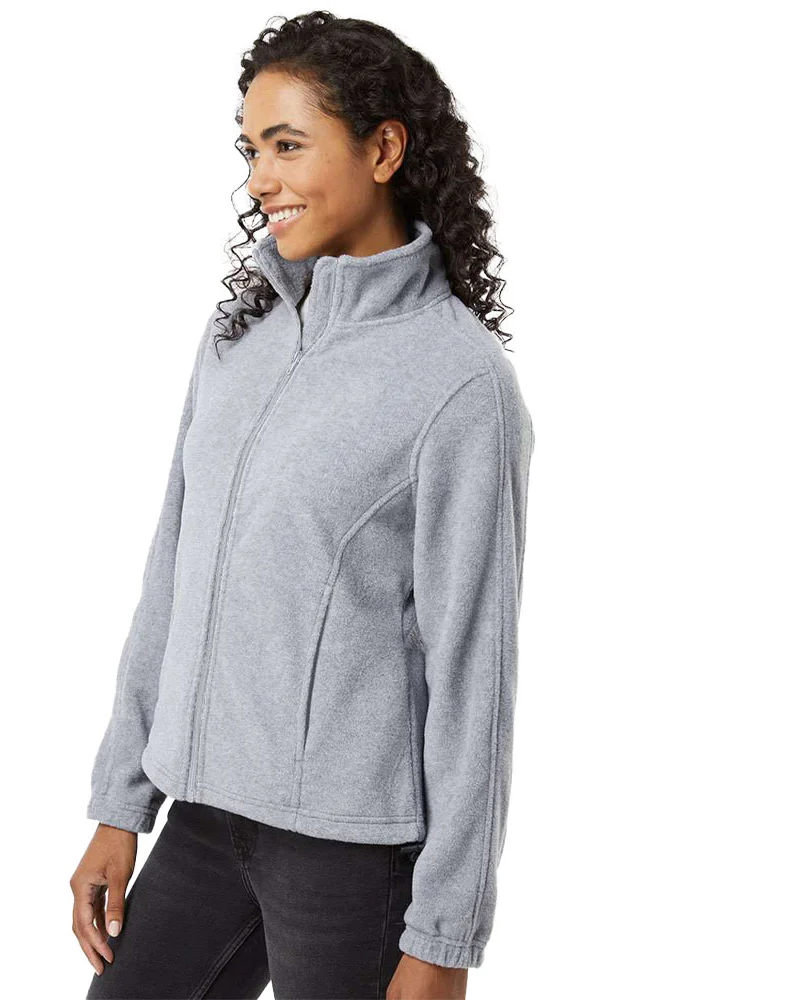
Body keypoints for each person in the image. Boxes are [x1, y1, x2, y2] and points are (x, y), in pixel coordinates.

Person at [71, 12, 534, 1000]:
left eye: (287, 146)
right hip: (203, 822)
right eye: (251, 151)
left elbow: (474, 676)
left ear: (383, 149)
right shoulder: (239, 333)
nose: (258, 180)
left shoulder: (461, 385)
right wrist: (120, 802)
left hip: (349, 857)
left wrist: (444, 936)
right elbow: (172, 570)